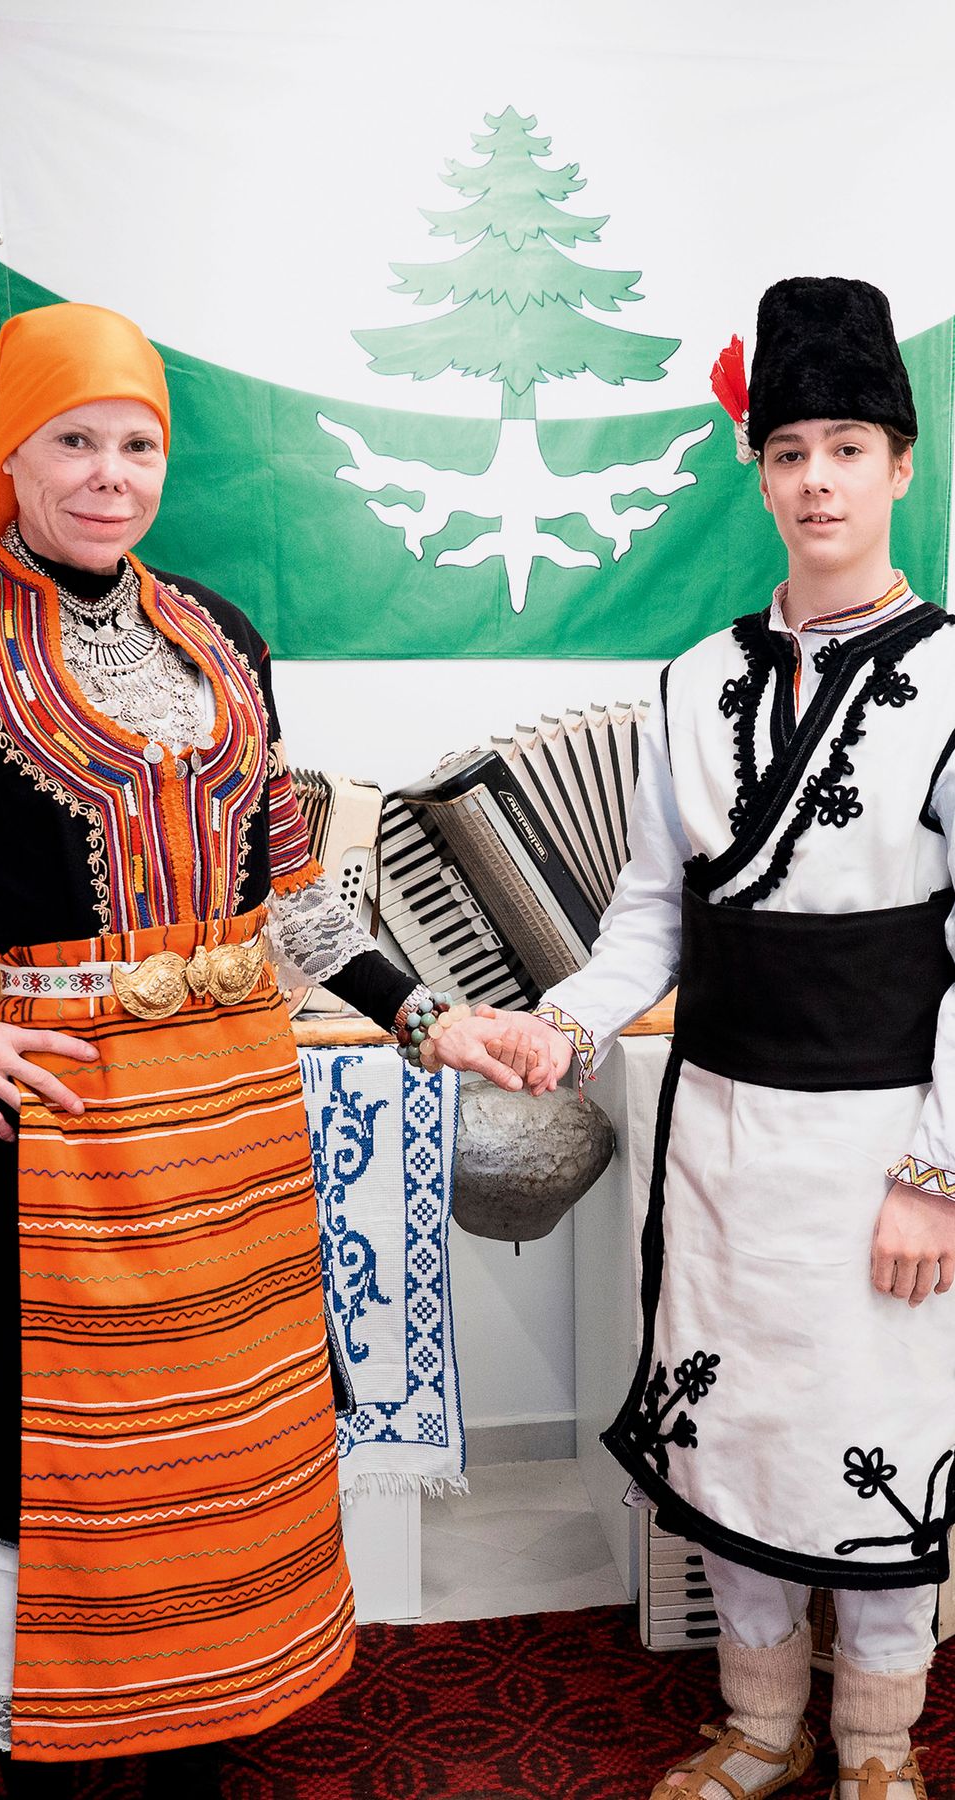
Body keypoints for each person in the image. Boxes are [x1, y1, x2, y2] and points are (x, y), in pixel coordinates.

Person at [0, 302, 442, 1797]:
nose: (110, 474)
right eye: (74, 439)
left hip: (236, 1116)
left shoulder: (220, 633)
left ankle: (205, 1719)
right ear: (14, 446)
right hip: (56, 1118)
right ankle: (59, 1741)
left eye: (139, 444)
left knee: (223, 1456)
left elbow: (290, 888)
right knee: (67, 1468)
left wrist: (423, 1016)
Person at [427, 277, 955, 1800]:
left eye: (850, 447)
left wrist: (937, 1168)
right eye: (789, 451)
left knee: (873, 1445)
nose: (818, 481)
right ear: (758, 471)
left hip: (884, 1146)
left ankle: (875, 1747)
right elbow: (648, 927)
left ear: (900, 466)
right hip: (722, 1139)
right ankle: (758, 1723)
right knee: (742, 1441)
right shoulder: (695, 680)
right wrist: (560, 1033)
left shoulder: (953, 679)